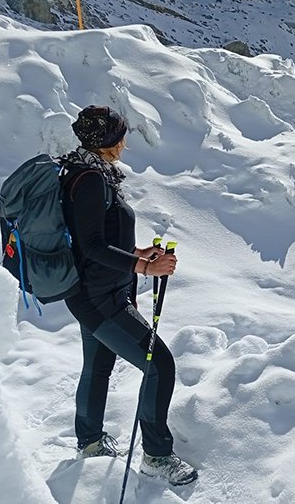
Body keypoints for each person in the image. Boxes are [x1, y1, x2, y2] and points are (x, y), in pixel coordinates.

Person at [60, 105, 197, 486]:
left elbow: (99, 238)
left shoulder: (85, 171)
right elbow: (90, 245)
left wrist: (136, 254)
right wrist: (145, 269)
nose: (124, 143)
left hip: (94, 290)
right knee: (159, 364)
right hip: (100, 298)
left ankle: (89, 441)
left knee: (98, 366)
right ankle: (156, 456)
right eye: (119, 136)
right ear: (105, 141)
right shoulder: (89, 179)